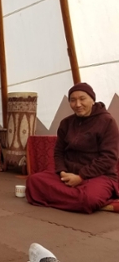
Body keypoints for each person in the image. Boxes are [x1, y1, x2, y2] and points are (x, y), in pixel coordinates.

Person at [26, 82, 119, 213]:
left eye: (82, 99)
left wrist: (81, 177)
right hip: (69, 173)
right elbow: (59, 151)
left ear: (92, 100)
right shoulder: (66, 123)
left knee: (89, 198)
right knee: (33, 181)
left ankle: (90, 200)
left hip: (99, 176)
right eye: (73, 100)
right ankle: (86, 200)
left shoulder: (107, 122)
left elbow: (109, 158)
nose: (78, 104)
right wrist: (62, 171)